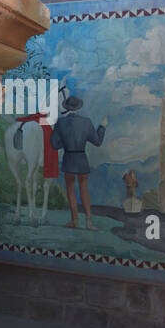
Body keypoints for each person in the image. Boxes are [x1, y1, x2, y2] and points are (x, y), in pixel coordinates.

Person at [49, 92, 107, 230]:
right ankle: (88, 221)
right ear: (78, 108)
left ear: (66, 107)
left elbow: (54, 145)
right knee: (84, 189)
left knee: (70, 189)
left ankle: (74, 220)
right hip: (81, 158)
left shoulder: (60, 123)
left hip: (69, 158)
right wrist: (102, 127)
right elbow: (97, 142)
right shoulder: (86, 122)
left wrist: (65, 139)